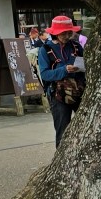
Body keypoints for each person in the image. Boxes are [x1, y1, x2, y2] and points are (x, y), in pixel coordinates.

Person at [36, 15, 85, 146]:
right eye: (63, 33)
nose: (67, 36)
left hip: (79, 91)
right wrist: (64, 70)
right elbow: (45, 74)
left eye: (69, 32)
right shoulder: (45, 50)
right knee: (62, 129)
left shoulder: (76, 46)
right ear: (55, 33)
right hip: (57, 95)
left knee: (85, 125)